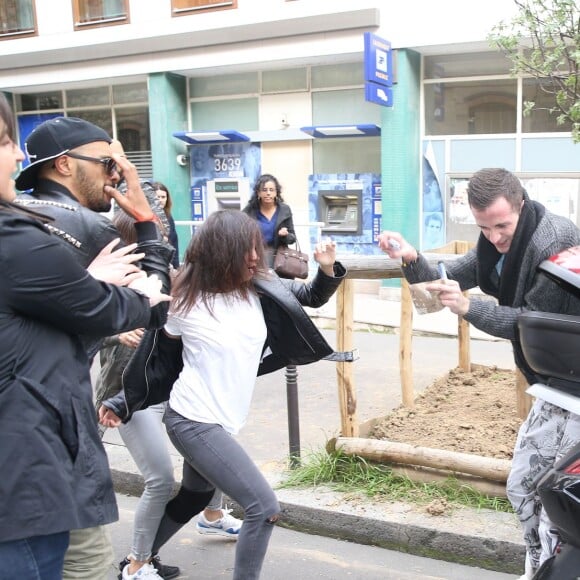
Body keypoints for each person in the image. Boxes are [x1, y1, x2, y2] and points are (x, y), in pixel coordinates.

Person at [100, 210, 347, 579]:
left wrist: (328, 269)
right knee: (263, 508)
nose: (255, 257)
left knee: (196, 496)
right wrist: (122, 401)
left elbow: (310, 295)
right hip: (193, 421)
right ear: (221, 253)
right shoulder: (183, 301)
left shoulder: (260, 287)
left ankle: (136, 565)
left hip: (221, 419)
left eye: (255, 249)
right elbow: (157, 361)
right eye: (246, 250)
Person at [0, 93, 171, 580]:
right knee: (85, 566)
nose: (118, 174)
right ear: (64, 166)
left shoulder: (29, 218)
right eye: (108, 163)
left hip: (38, 443)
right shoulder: (75, 225)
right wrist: (145, 217)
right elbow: (155, 295)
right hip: (41, 453)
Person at [378, 167, 580, 579]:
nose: (494, 237)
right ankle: (537, 566)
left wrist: (470, 308)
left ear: (521, 205)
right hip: (552, 386)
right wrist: (411, 257)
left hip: (574, 386)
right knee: (524, 485)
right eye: (484, 228)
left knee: (560, 501)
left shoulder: (554, 238)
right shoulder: (493, 244)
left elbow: (530, 322)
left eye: (502, 225)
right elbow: (452, 273)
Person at [95, 210, 241, 580]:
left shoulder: (170, 275)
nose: (163, 240)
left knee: (213, 451)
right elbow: (73, 325)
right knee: (159, 479)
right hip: (127, 396)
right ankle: (137, 564)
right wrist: (115, 333)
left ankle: (211, 515)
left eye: (163, 232)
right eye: (154, 234)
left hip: (169, 390)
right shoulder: (109, 275)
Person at [242, 173, 296, 271]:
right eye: (264, 190)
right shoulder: (249, 211)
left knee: (278, 284)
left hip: (279, 258)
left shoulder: (284, 210)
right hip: (256, 257)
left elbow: (292, 239)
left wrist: (285, 235)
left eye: (271, 190)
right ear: (258, 192)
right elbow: (240, 236)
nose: (268, 193)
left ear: (276, 193)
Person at [151, 181, 180, 269]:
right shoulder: (146, 217)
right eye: (157, 197)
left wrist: (176, 267)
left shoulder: (169, 218)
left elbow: (174, 242)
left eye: (163, 197)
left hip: (168, 263)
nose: (160, 200)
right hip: (153, 263)